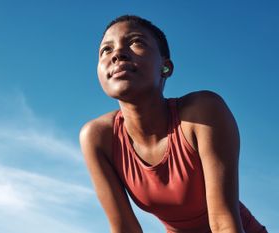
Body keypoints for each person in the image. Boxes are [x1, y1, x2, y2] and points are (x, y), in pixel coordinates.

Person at [79, 15, 267, 233]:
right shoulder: (98, 138)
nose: (117, 54)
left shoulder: (203, 113)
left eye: (136, 42)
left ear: (165, 67)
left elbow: (224, 223)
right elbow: (124, 229)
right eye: (106, 50)